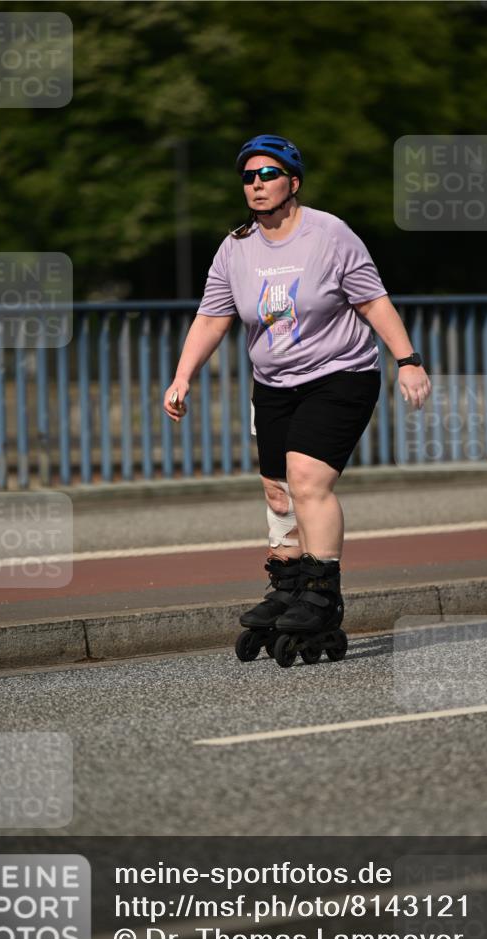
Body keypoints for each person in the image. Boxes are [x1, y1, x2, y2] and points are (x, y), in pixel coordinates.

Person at [164, 134, 431, 654]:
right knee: (277, 490)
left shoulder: (329, 234)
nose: (257, 184)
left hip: (340, 374)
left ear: (293, 182)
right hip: (273, 384)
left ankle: (322, 592)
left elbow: (373, 301)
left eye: (268, 174)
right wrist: (182, 376)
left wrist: (408, 361)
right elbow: (212, 317)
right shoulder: (236, 247)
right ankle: (288, 587)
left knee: (307, 480)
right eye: (249, 177)